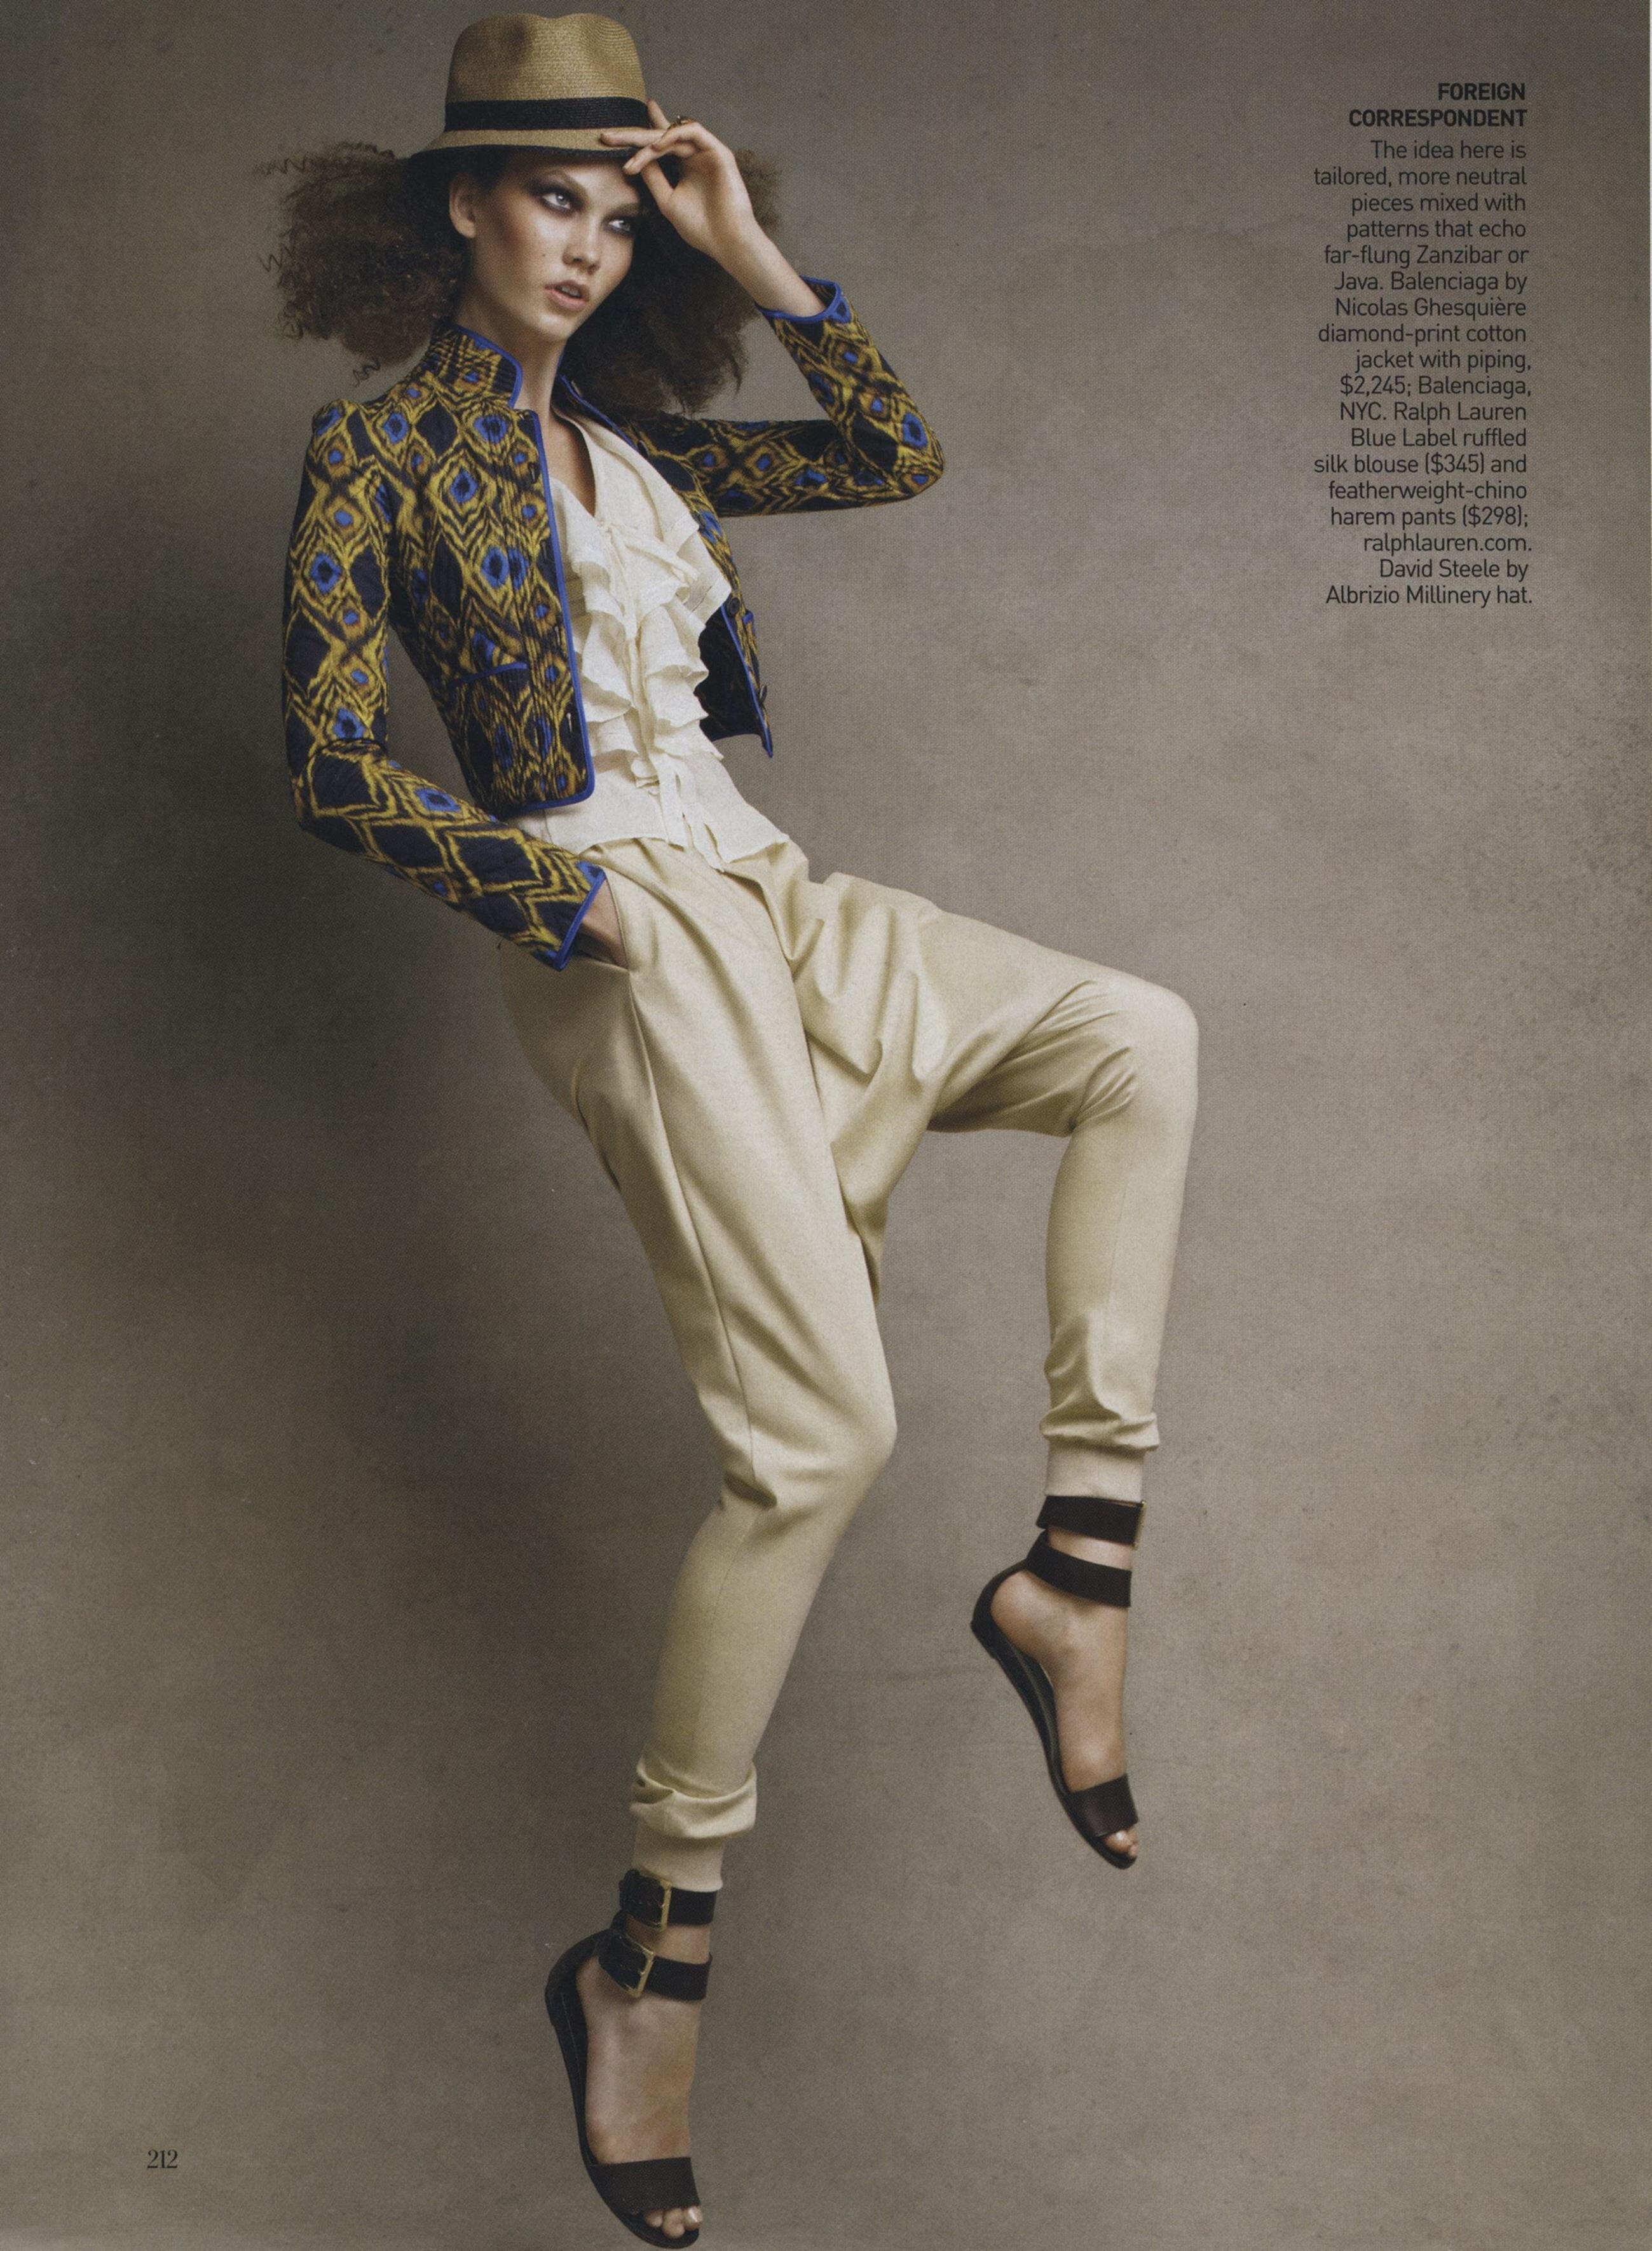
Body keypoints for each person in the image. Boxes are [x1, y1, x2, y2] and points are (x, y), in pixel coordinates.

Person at [270, 13, 1199, 2243]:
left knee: (1139, 1039)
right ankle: (648, 1969)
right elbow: (323, 760)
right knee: (822, 1442)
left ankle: (1074, 1580)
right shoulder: (377, 453)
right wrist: (555, 895)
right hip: (620, 926)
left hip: (770, 896)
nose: (589, 245)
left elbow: (896, 452)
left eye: (621, 210)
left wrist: (757, 257)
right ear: (456, 207)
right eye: (553, 198)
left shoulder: (648, 452)